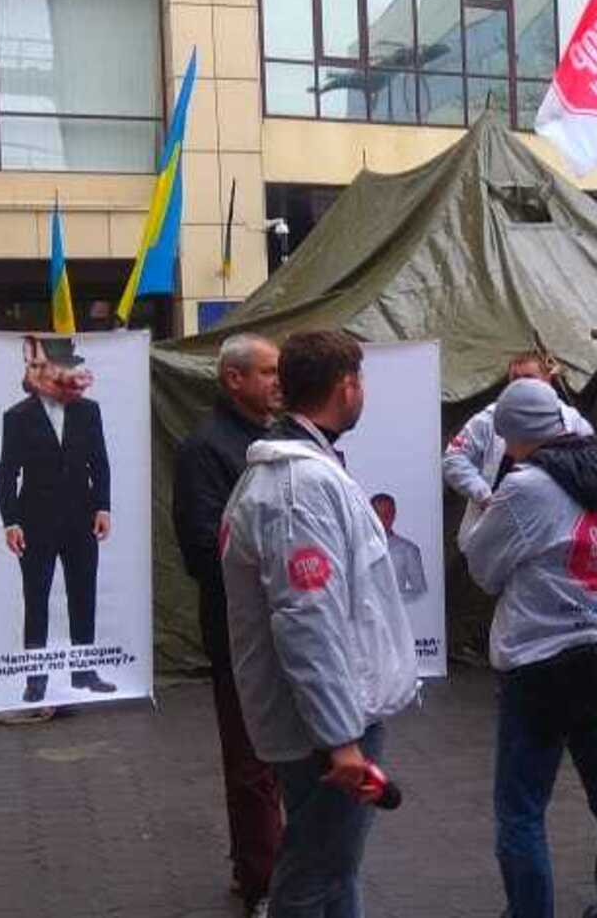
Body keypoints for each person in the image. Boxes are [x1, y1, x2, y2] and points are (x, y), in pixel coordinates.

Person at [222, 330, 417, 918]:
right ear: (345, 386)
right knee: (311, 876)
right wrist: (341, 742)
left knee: (334, 870)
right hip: (326, 727)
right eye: (360, 383)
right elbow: (306, 621)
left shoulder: (305, 473)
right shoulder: (296, 491)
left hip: (336, 715)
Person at [461, 379, 597, 918]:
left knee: (521, 810)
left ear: (513, 434)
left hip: (539, 661)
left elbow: (484, 568)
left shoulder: (527, 488)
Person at [173, 332, 286, 915]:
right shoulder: (206, 449)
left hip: (289, 625)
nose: (277, 382)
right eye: (267, 372)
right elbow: (201, 548)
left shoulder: (280, 441)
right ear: (233, 379)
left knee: (287, 757)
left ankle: (274, 866)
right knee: (250, 763)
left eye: (279, 372)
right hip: (240, 631)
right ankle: (262, 880)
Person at [0, 336, 113, 704]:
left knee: (84, 595)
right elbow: (7, 473)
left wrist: (103, 507)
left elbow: (101, 462)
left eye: (39, 365)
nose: (32, 373)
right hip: (36, 521)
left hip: (81, 520)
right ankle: (36, 677)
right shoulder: (17, 416)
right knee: (37, 599)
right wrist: (10, 521)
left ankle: (84, 670)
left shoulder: (88, 411)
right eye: (29, 366)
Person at [444, 351, 594, 543]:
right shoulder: (491, 418)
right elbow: (453, 458)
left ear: (547, 379)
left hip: (551, 529)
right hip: (496, 531)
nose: (522, 385)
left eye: (530, 378)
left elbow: (590, 467)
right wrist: (483, 494)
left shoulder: (572, 421)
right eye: (516, 379)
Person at [369, 494, 428, 603]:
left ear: (394, 515)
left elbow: (421, 592)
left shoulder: (408, 550)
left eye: (387, 514)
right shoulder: (354, 549)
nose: (382, 519)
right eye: (378, 514)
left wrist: (393, 600)